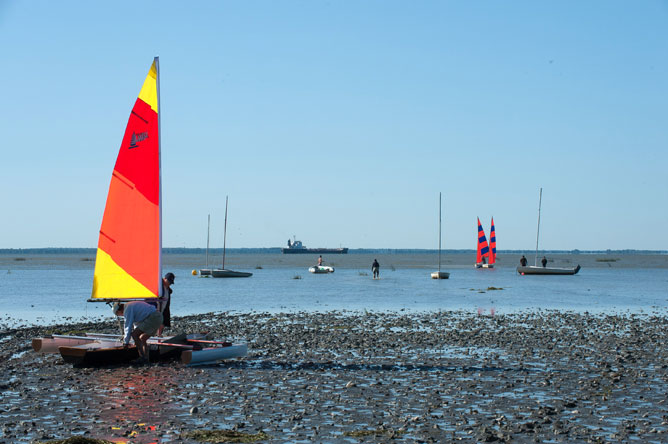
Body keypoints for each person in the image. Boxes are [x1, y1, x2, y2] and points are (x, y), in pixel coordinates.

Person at [157, 272, 175, 336]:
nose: (169, 283)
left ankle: (159, 335)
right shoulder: (159, 286)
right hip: (157, 307)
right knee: (157, 323)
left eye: (170, 282)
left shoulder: (168, 289)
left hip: (164, 308)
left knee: (163, 323)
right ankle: (157, 335)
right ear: (164, 278)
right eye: (169, 281)